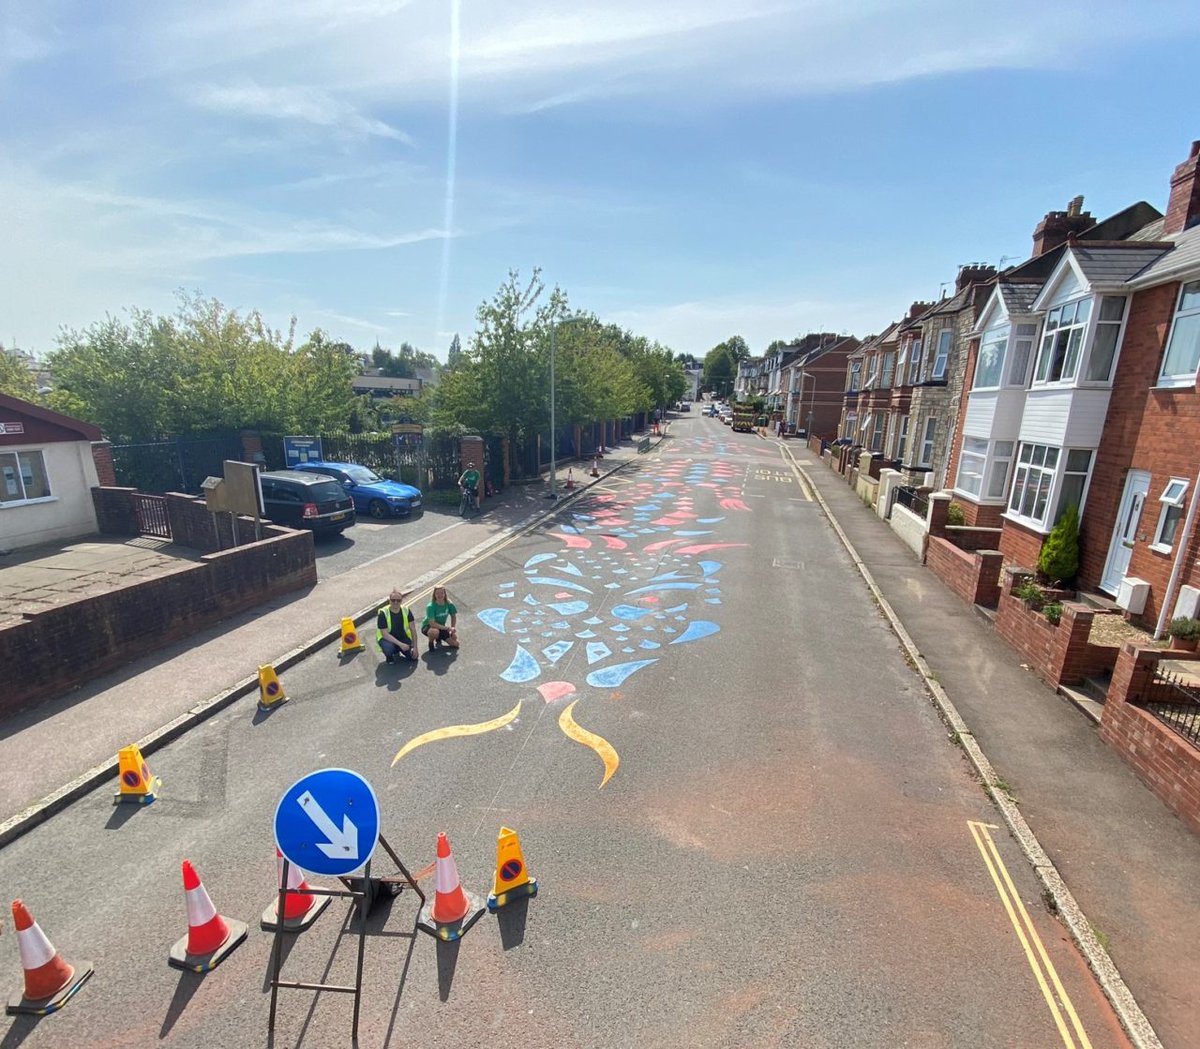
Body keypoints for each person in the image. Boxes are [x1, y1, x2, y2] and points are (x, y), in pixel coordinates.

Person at [377, 589, 418, 663]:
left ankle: (397, 649)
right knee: (389, 649)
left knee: (414, 657)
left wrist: (415, 647)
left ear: (401, 601)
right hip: (387, 639)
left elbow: (413, 629)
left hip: (402, 637)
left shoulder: (406, 610)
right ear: (389, 600)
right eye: (393, 600)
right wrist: (401, 645)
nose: (396, 602)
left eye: (398, 600)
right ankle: (389, 656)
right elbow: (385, 634)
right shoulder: (383, 613)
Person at [422, 585, 460, 651]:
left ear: (445, 594)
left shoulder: (449, 604)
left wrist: (452, 630)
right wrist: (448, 628)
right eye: (437, 593)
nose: (440, 595)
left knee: (456, 644)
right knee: (434, 632)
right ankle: (431, 642)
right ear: (434, 595)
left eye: (442, 593)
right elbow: (432, 624)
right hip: (428, 626)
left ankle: (438, 637)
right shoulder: (430, 606)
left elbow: (453, 616)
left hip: (441, 627)